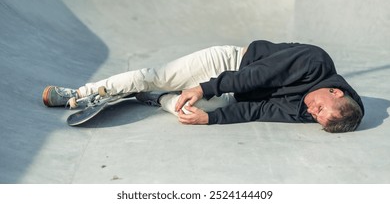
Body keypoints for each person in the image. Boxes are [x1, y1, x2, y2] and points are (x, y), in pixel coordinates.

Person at [42, 40, 364, 133]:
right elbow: (258, 77)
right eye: (319, 108)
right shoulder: (315, 62)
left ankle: (154, 100)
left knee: (188, 111)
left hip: (231, 92)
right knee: (155, 74)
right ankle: (82, 93)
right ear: (336, 91)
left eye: (316, 117)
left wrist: (211, 118)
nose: (311, 110)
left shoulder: (311, 114)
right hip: (227, 65)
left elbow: (260, 109)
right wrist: (205, 88)